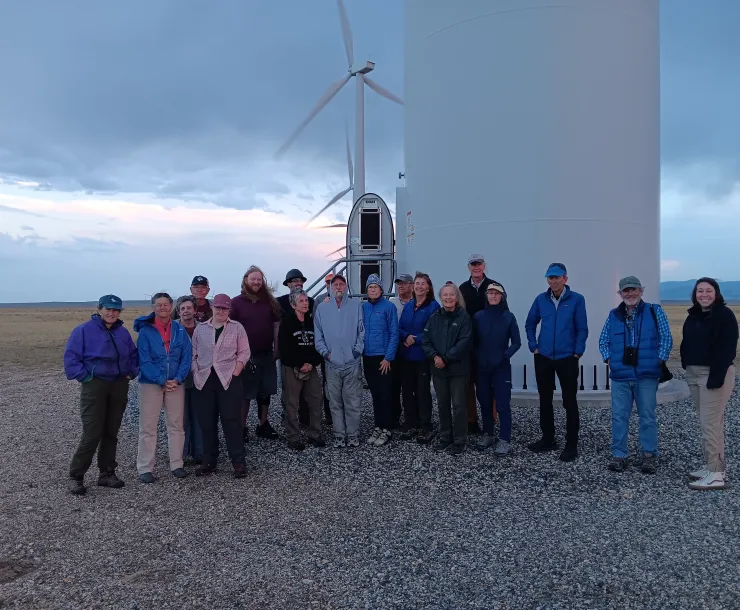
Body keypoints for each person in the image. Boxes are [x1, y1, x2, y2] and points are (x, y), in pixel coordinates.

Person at [63, 294, 139, 495]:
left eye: (116, 310)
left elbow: (133, 354)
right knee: (92, 432)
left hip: (118, 384)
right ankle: (76, 476)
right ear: (99, 309)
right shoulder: (84, 331)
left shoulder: (122, 332)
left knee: (111, 431)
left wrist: (132, 371)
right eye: (108, 309)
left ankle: (107, 473)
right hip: (95, 384)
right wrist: (84, 377)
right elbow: (71, 358)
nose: (112, 313)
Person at [598, 276, 672, 474]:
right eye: (625, 291)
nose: (630, 294)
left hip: (646, 375)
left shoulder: (654, 311)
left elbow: (666, 338)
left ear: (641, 291)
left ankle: (649, 455)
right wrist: (609, 359)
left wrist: (659, 360)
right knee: (619, 416)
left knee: (647, 416)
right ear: (620, 294)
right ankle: (619, 455)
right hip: (621, 377)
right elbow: (603, 340)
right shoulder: (613, 315)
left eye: (633, 289)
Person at [525, 262, 588, 462]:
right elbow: (530, 323)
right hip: (543, 357)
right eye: (550, 277)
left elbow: (582, 328)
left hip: (567, 358)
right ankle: (548, 438)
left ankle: (571, 444)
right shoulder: (541, 299)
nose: (553, 281)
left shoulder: (577, 300)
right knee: (545, 399)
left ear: (565, 278)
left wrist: (577, 351)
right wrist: (533, 346)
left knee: (570, 401)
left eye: (557, 277)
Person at [681, 277, 738, 491]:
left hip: (713, 374)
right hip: (694, 373)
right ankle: (714, 467)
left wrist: (716, 376)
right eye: (699, 291)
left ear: (717, 293)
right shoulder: (694, 315)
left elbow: (727, 348)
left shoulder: (724, 315)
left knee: (710, 424)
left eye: (708, 290)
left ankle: (715, 475)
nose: (704, 294)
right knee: (710, 423)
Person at [134, 293, 192, 483]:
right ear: (153, 307)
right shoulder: (146, 331)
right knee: (148, 427)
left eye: (166, 304)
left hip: (175, 383)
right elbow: (144, 359)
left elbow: (186, 355)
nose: (162, 308)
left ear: (171, 306)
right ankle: (145, 467)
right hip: (151, 383)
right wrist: (161, 379)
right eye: (158, 305)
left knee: (176, 425)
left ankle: (177, 464)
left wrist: (178, 378)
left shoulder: (179, 329)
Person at [191, 294, 251, 478]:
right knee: (207, 422)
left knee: (231, 421)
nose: (221, 311)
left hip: (228, 378)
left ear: (229, 310)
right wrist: (195, 371)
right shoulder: (200, 329)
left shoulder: (237, 328)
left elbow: (244, 352)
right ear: (212, 308)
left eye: (224, 308)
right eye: (218, 308)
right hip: (205, 379)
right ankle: (209, 461)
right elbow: (194, 353)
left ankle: (238, 462)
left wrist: (236, 372)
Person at [314, 274, 365, 448]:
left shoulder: (356, 306)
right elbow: (318, 334)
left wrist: (356, 351)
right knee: (334, 401)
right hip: (331, 364)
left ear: (346, 287)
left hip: (352, 363)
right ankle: (338, 435)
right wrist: (326, 354)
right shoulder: (322, 308)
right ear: (329, 287)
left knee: (352, 401)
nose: (338, 287)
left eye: (341, 284)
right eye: (335, 284)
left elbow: (361, 331)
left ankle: (352, 435)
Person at [231, 266, 281, 441]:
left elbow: (276, 325)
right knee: (245, 393)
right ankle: (241, 428)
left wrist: (277, 347)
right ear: (246, 280)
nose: (256, 282)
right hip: (245, 357)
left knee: (265, 391)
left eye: (259, 279)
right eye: (253, 279)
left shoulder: (269, 301)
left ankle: (263, 424)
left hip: (266, 353)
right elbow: (231, 329)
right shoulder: (236, 303)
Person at [423, 282, 472, 454]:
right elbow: (426, 339)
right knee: (443, 404)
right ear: (440, 297)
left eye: (452, 295)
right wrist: (435, 357)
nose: (448, 298)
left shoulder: (464, 318)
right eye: (445, 295)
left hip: (458, 370)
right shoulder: (435, 316)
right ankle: (446, 437)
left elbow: (464, 342)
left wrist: (445, 358)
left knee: (458, 406)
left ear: (456, 297)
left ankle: (459, 440)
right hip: (438, 370)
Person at [473, 282, 521, 456]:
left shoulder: (509, 317)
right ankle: (488, 434)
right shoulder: (478, 317)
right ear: (486, 296)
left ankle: (504, 439)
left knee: (502, 404)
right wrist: (477, 356)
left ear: (502, 297)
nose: (493, 296)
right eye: (490, 293)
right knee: (485, 402)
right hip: (482, 367)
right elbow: (473, 341)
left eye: (497, 293)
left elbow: (517, 342)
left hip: (501, 367)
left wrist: (505, 355)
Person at [278, 289, 325, 450]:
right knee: (291, 403)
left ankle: (315, 433)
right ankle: (293, 437)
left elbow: (319, 345)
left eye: (306, 301)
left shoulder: (313, 323)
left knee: (316, 400)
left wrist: (312, 363)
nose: (305, 304)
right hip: (292, 368)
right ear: (293, 305)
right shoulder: (286, 324)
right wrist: (300, 363)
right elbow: (284, 350)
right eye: (301, 301)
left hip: (311, 367)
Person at [459, 254, 502, 435]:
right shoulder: (462, 288)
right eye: (473, 264)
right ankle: (471, 421)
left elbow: (502, 313)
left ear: (484, 266)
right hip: (468, 344)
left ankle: (490, 421)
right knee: (468, 384)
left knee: (487, 384)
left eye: (479, 264)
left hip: (488, 344)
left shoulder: (493, 286)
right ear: (468, 267)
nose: (476, 267)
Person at [398, 272, 440, 444]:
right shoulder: (409, 305)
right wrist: (405, 336)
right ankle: (410, 423)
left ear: (428, 287)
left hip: (422, 355)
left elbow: (433, 331)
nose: (419, 286)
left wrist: (415, 339)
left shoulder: (433, 307)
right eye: (417, 283)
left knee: (422, 392)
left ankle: (425, 425)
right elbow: (400, 327)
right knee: (407, 391)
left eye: (423, 284)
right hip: (406, 355)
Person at [362, 274, 399, 446]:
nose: (373, 289)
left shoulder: (388, 307)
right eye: (370, 287)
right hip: (368, 356)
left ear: (381, 289)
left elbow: (394, 333)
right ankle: (378, 425)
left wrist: (388, 357)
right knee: (375, 393)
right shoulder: (363, 307)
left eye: (375, 287)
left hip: (383, 358)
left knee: (385, 393)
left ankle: (387, 428)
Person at [277, 269, 316, 427]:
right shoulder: (279, 302)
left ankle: (305, 419)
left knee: (308, 391)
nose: (298, 283)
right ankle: (288, 421)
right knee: (289, 391)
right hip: (288, 352)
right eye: (294, 281)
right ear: (288, 284)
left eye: (300, 280)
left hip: (306, 351)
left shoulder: (311, 302)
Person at [175, 295, 203, 464]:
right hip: (179, 379)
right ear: (178, 311)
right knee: (181, 417)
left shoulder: (203, 328)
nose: (186, 311)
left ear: (195, 310)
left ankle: (200, 451)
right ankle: (182, 453)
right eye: (182, 308)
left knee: (199, 416)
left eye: (189, 308)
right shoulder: (173, 329)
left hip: (200, 377)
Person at [389, 273, 414, 427]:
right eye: (398, 283)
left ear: (411, 285)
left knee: (409, 386)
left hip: (412, 349)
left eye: (404, 283)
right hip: (395, 349)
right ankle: (395, 416)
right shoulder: (391, 303)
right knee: (393, 385)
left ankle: (411, 418)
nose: (400, 286)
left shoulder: (417, 303)